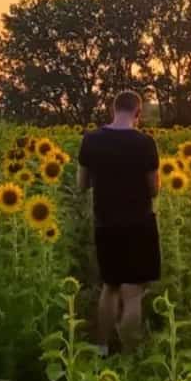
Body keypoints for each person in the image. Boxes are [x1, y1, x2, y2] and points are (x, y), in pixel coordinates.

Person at [77, 90, 160, 355]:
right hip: (139, 224)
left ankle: (101, 348)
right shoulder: (145, 143)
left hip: (106, 223)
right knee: (133, 292)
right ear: (138, 113)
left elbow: (81, 185)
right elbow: (154, 189)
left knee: (110, 286)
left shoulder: (91, 140)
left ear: (113, 110)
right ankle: (129, 353)